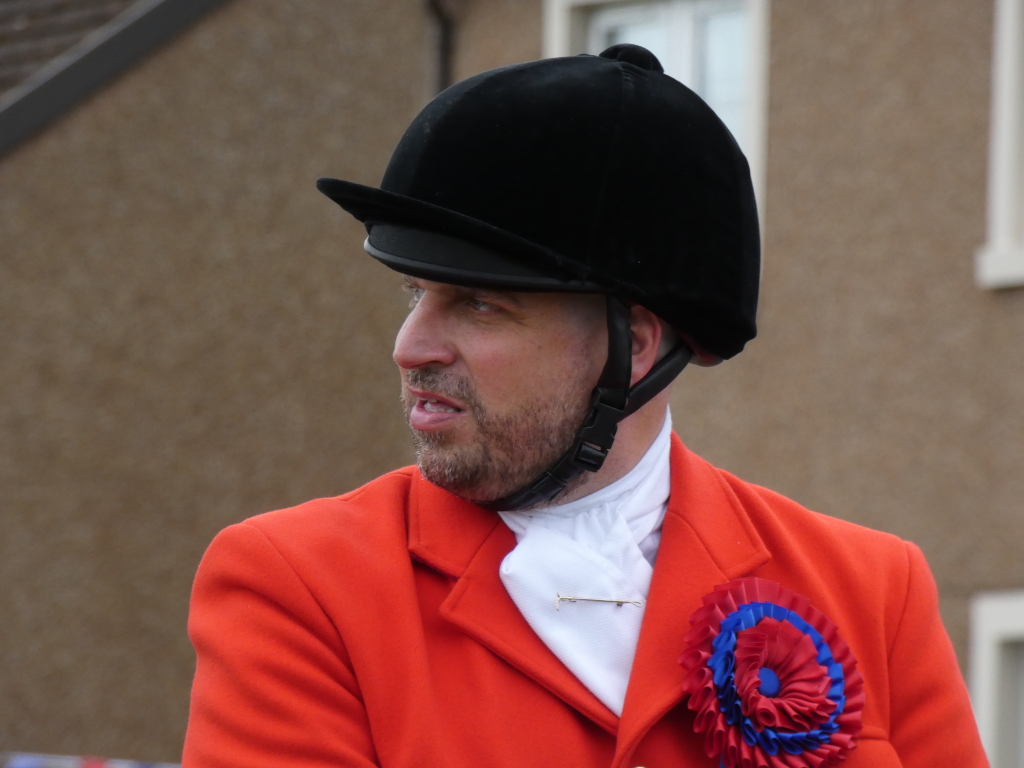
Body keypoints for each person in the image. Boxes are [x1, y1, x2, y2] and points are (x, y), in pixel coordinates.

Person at [182, 45, 987, 768]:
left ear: (632, 344)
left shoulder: (874, 591)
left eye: (478, 305)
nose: (410, 346)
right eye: (415, 295)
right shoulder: (299, 588)